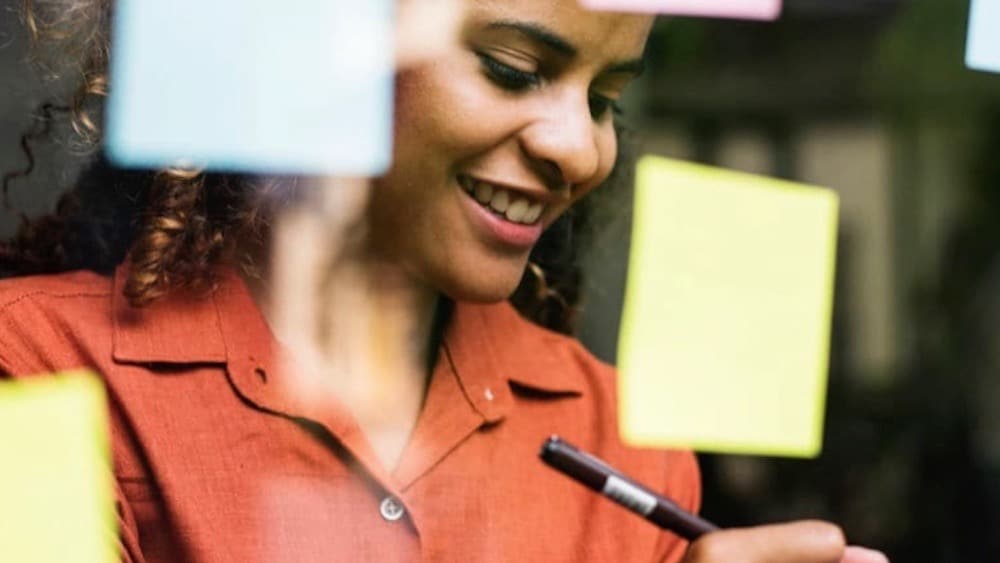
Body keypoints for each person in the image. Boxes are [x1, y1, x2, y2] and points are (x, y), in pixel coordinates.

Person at [0, 0, 889, 561]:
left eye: (606, 98)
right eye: (513, 69)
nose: (579, 148)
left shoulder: (621, 439)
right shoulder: (35, 375)